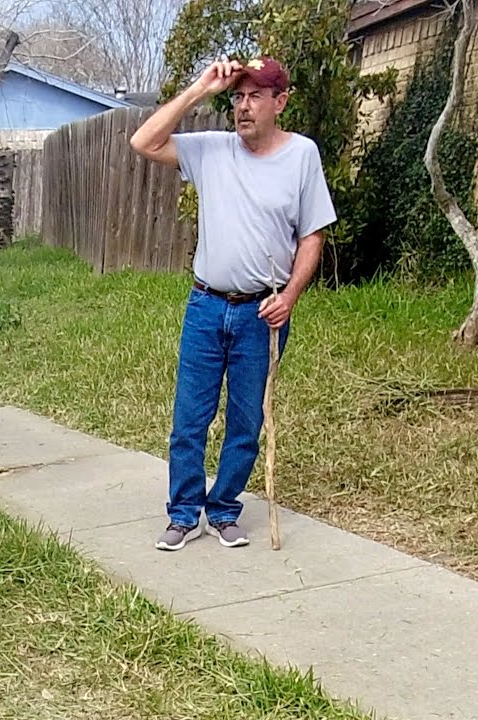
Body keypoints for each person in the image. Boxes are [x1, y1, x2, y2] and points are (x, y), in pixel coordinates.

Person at [129, 56, 336, 551]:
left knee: (246, 420)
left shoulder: (302, 156)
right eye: (237, 98)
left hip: (260, 314)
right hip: (205, 306)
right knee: (189, 419)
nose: (243, 107)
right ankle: (183, 513)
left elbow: (312, 237)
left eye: (255, 97)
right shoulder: (212, 151)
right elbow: (143, 142)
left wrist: (289, 297)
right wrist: (200, 89)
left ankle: (223, 510)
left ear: (279, 102)